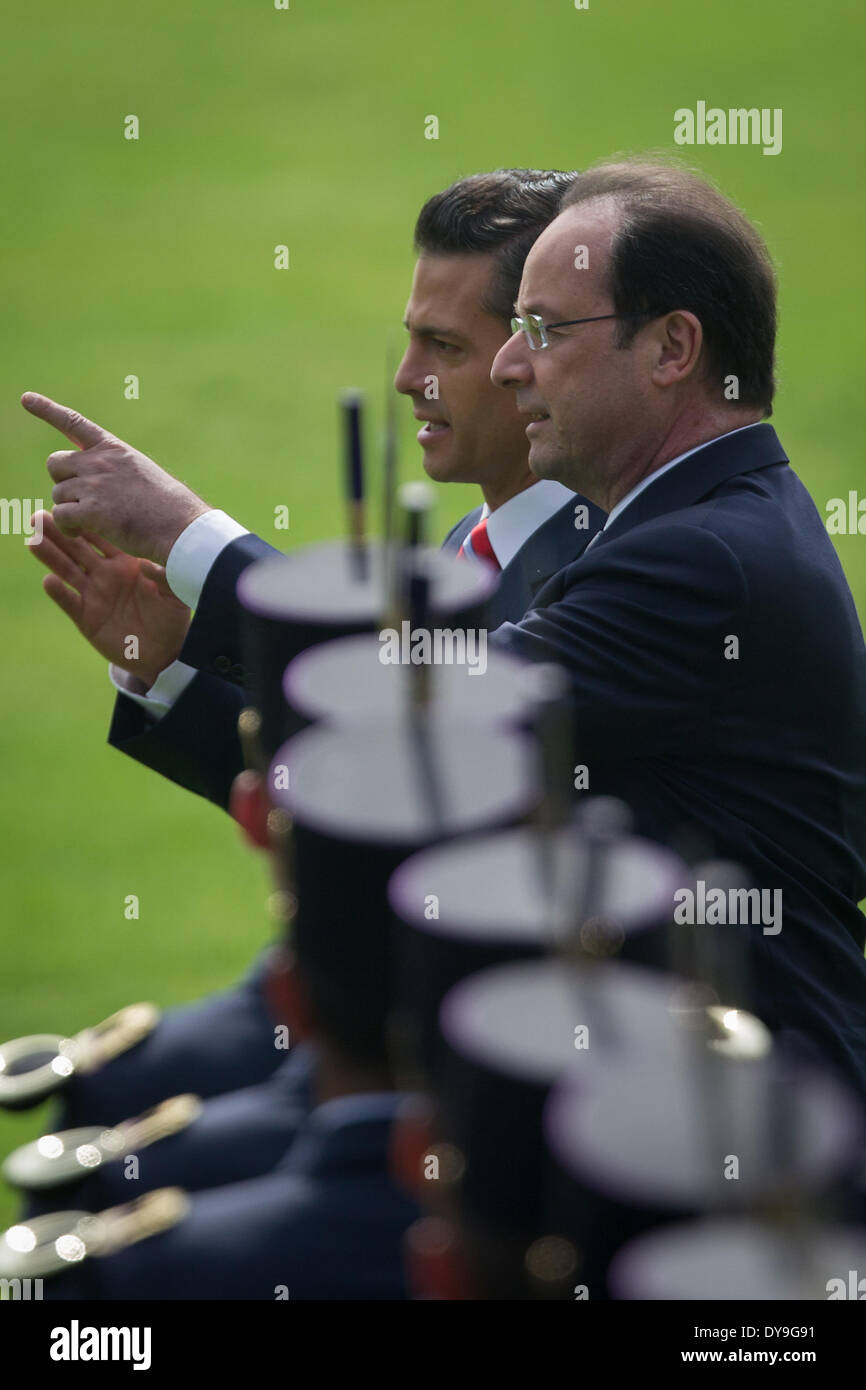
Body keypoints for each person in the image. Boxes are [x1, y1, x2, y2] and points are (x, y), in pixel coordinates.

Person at [23, 169, 603, 812]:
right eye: (411, 339)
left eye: (444, 346)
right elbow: (382, 784)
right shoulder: (475, 540)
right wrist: (169, 664)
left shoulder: (611, 556)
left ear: (533, 355)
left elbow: (424, 705)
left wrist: (184, 532)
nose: (408, 379)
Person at [486, 157, 866, 1099]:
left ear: (671, 348)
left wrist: (198, 550)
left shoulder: (699, 561)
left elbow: (433, 720)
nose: (508, 363)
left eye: (541, 328)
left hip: (742, 1148)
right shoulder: (714, 520)